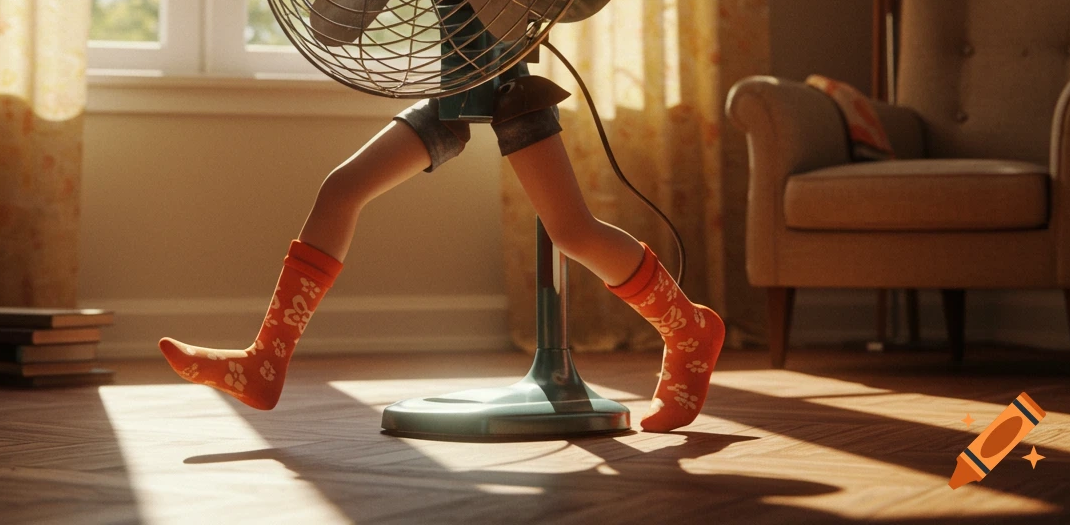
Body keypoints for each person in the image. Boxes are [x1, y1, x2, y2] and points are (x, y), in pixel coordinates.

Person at [158, 70, 726, 433]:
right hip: (456, 86)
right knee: (342, 189)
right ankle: (266, 361)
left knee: (572, 231)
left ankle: (687, 330)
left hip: (511, 88)